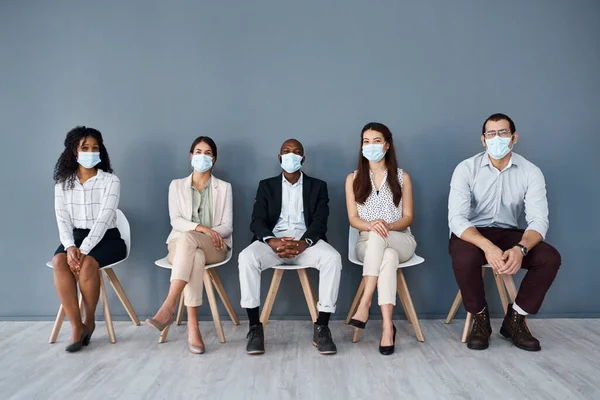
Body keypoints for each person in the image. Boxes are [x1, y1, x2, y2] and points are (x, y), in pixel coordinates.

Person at [448, 113, 561, 352]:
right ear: (483, 140)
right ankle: (480, 320)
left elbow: (539, 220)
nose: (496, 138)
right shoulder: (466, 169)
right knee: (464, 256)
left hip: (509, 232)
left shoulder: (531, 172)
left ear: (514, 137)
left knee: (550, 257)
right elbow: (456, 219)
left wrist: (521, 249)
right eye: (491, 133)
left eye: (503, 132)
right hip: (473, 233)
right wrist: (487, 247)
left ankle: (516, 320)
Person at [238, 139, 342, 356]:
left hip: (306, 242)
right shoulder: (266, 186)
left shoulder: (318, 186)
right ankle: (254, 327)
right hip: (273, 242)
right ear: (279, 157)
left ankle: (322, 326)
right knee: (246, 258)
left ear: (303, 159)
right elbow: (256, 220)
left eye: (296, 153)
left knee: (333, 258)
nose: (291, 155)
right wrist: (272, 241)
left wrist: (304, 243)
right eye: (286, 151)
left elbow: (320, 222)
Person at [145, 136, 232, 354]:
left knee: (190, 240)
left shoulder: (224, 187)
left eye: (208, 153)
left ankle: (169, 306)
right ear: (191, 156)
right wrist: (201, 228)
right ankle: (193, 326)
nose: (203, 156)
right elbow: (176, 221)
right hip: (181, 247)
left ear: (214, 159)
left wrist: (209, 233)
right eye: (199, 152)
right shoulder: (176, 186)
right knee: (194, 254)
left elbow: (227, 226)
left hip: (215, 245)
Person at [345, 122, 417, 355]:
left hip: (400, 238)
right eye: (366, 141)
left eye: (376, 141)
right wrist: (372, 225)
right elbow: (353, 219)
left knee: (384, 239)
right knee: (387, 255)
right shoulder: (353, 179)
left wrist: (388, 225)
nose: (371, 145)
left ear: (387, 145)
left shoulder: (401, 177)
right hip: (366, 243)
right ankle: (387, 327)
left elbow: (408, 218)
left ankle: (365, 303)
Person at [52, 126, 126, 353]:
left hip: (108, 238)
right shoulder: (62, 184)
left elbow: (104, 220)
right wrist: (71, 246)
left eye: (95, 148)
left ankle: (90, 320)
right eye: (85, 148)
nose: (91, 152)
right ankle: (77, 326)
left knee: (88, 264)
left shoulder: (110, 181)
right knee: (59, 262)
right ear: (74, 151)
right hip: (75, 238)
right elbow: (62, 220)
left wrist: (83, 250)